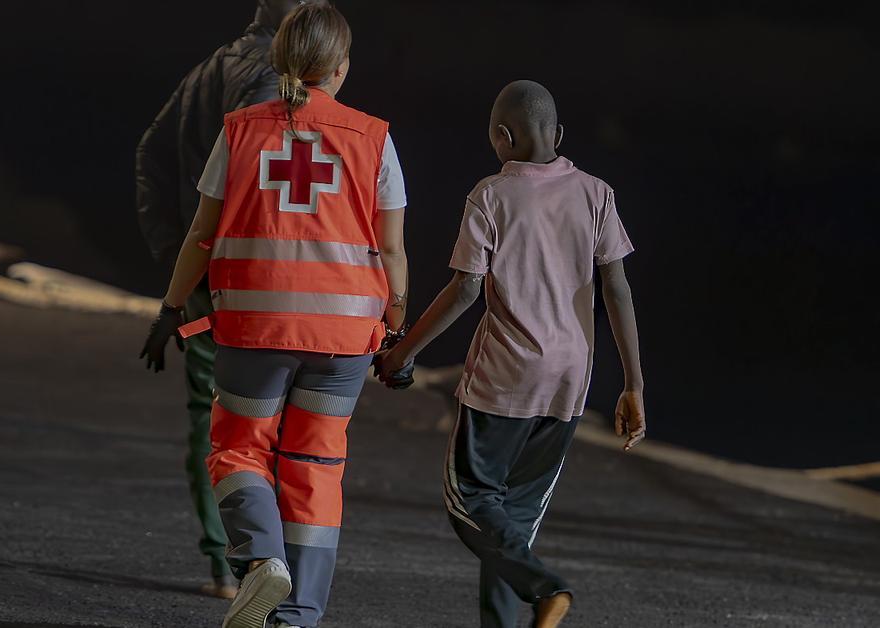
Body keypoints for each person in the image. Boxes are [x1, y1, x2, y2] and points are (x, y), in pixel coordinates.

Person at [139, 5, 410, 626]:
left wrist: (171, 309)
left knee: (239, 450)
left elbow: (201, 234)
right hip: (343, 337)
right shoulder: (375, 138)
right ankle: (298, 618)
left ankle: (261, 559)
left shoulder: (240, 131)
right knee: (316, 468)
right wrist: (397, 331)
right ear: (341, 67)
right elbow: (392, 249)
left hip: (254, 329)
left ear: (280, 60)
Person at [377, 80, 646, 628]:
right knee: (511, 529)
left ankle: (546, 589)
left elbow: (465, 290)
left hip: (505, 378)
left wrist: (401, 352)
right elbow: (616, 288)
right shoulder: (596, 193)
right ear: (558, 134)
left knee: (471, 503)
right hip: (569, 381)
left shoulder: (491, 195)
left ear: (502, 136)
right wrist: (633, 384)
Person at [135, 0, 324, 599]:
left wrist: (176, 257)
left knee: (211, 417)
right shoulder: (274, 81)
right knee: (273, 422)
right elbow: (268, 188)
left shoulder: (207, 69)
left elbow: (150, 155)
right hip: (255, 284)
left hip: (204, 279)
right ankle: (262, 560)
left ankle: (224, 561)